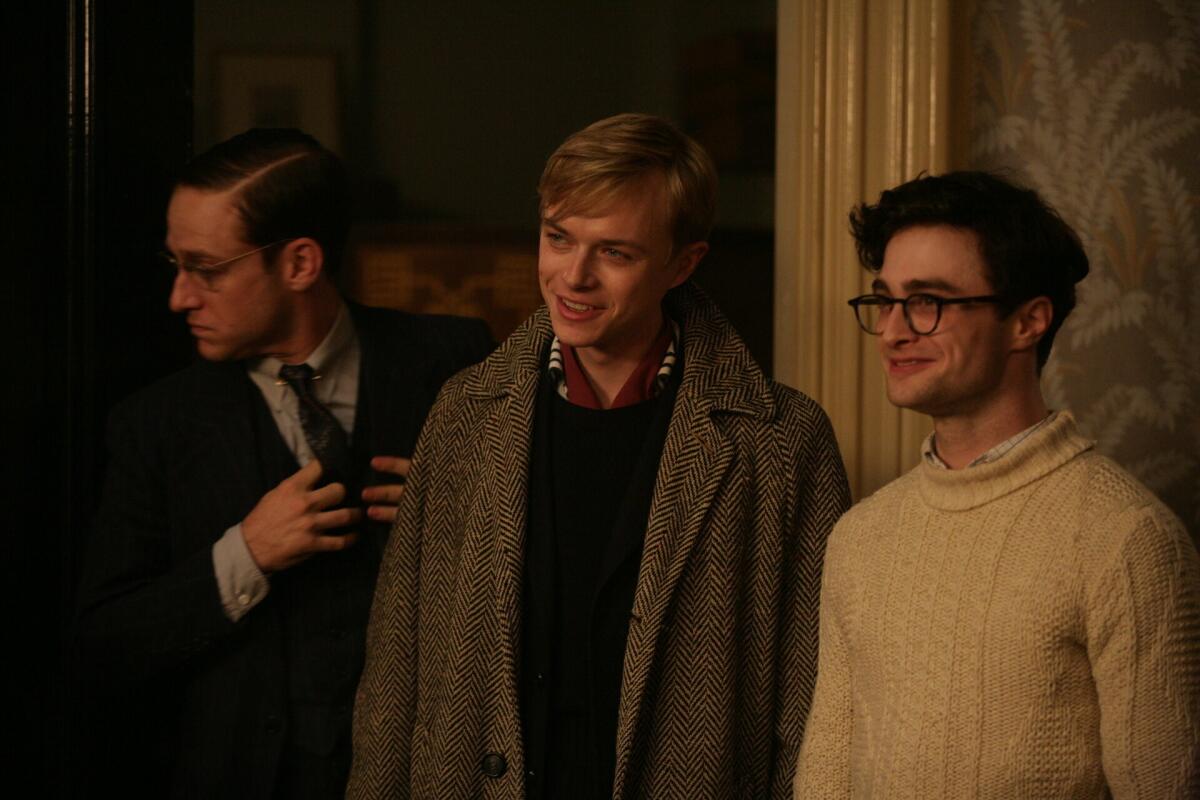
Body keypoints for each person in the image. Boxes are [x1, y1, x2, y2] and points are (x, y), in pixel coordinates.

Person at [348, 113, 850, 800]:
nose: (573, 276)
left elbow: (813, 701)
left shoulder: (782, 442)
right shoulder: (465, 412)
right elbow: (394, 674)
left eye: (615, 252)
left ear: (684, 264)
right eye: (558, 238)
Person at [75, 128, 493, 799]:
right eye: (176, 264)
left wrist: (470, 518)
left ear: (300, 263)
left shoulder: (456, 362)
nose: (179, 297)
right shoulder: (155, 425)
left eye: (206, 269)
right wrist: (245, 555)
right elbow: (107, 645)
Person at [795, 171, 1200, 798]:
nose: (895, 331)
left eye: (927, 301)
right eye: (885, 301)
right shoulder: (860, 536)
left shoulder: (1126, 540)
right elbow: (824, 779)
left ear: (1027, 322)